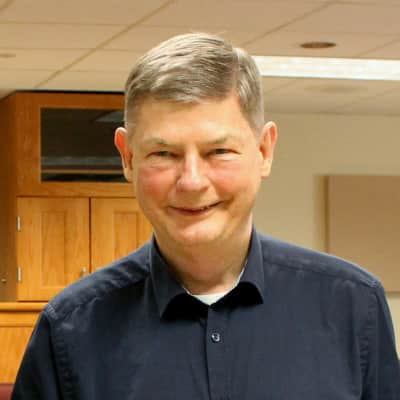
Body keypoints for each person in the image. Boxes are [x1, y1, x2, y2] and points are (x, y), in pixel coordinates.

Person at [12, 32, 400, 400]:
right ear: (127, 157)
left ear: (264, 151)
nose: (192, 181)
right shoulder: (69, 330)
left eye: (219, 152)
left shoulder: (352, 306)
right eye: (164, 154)